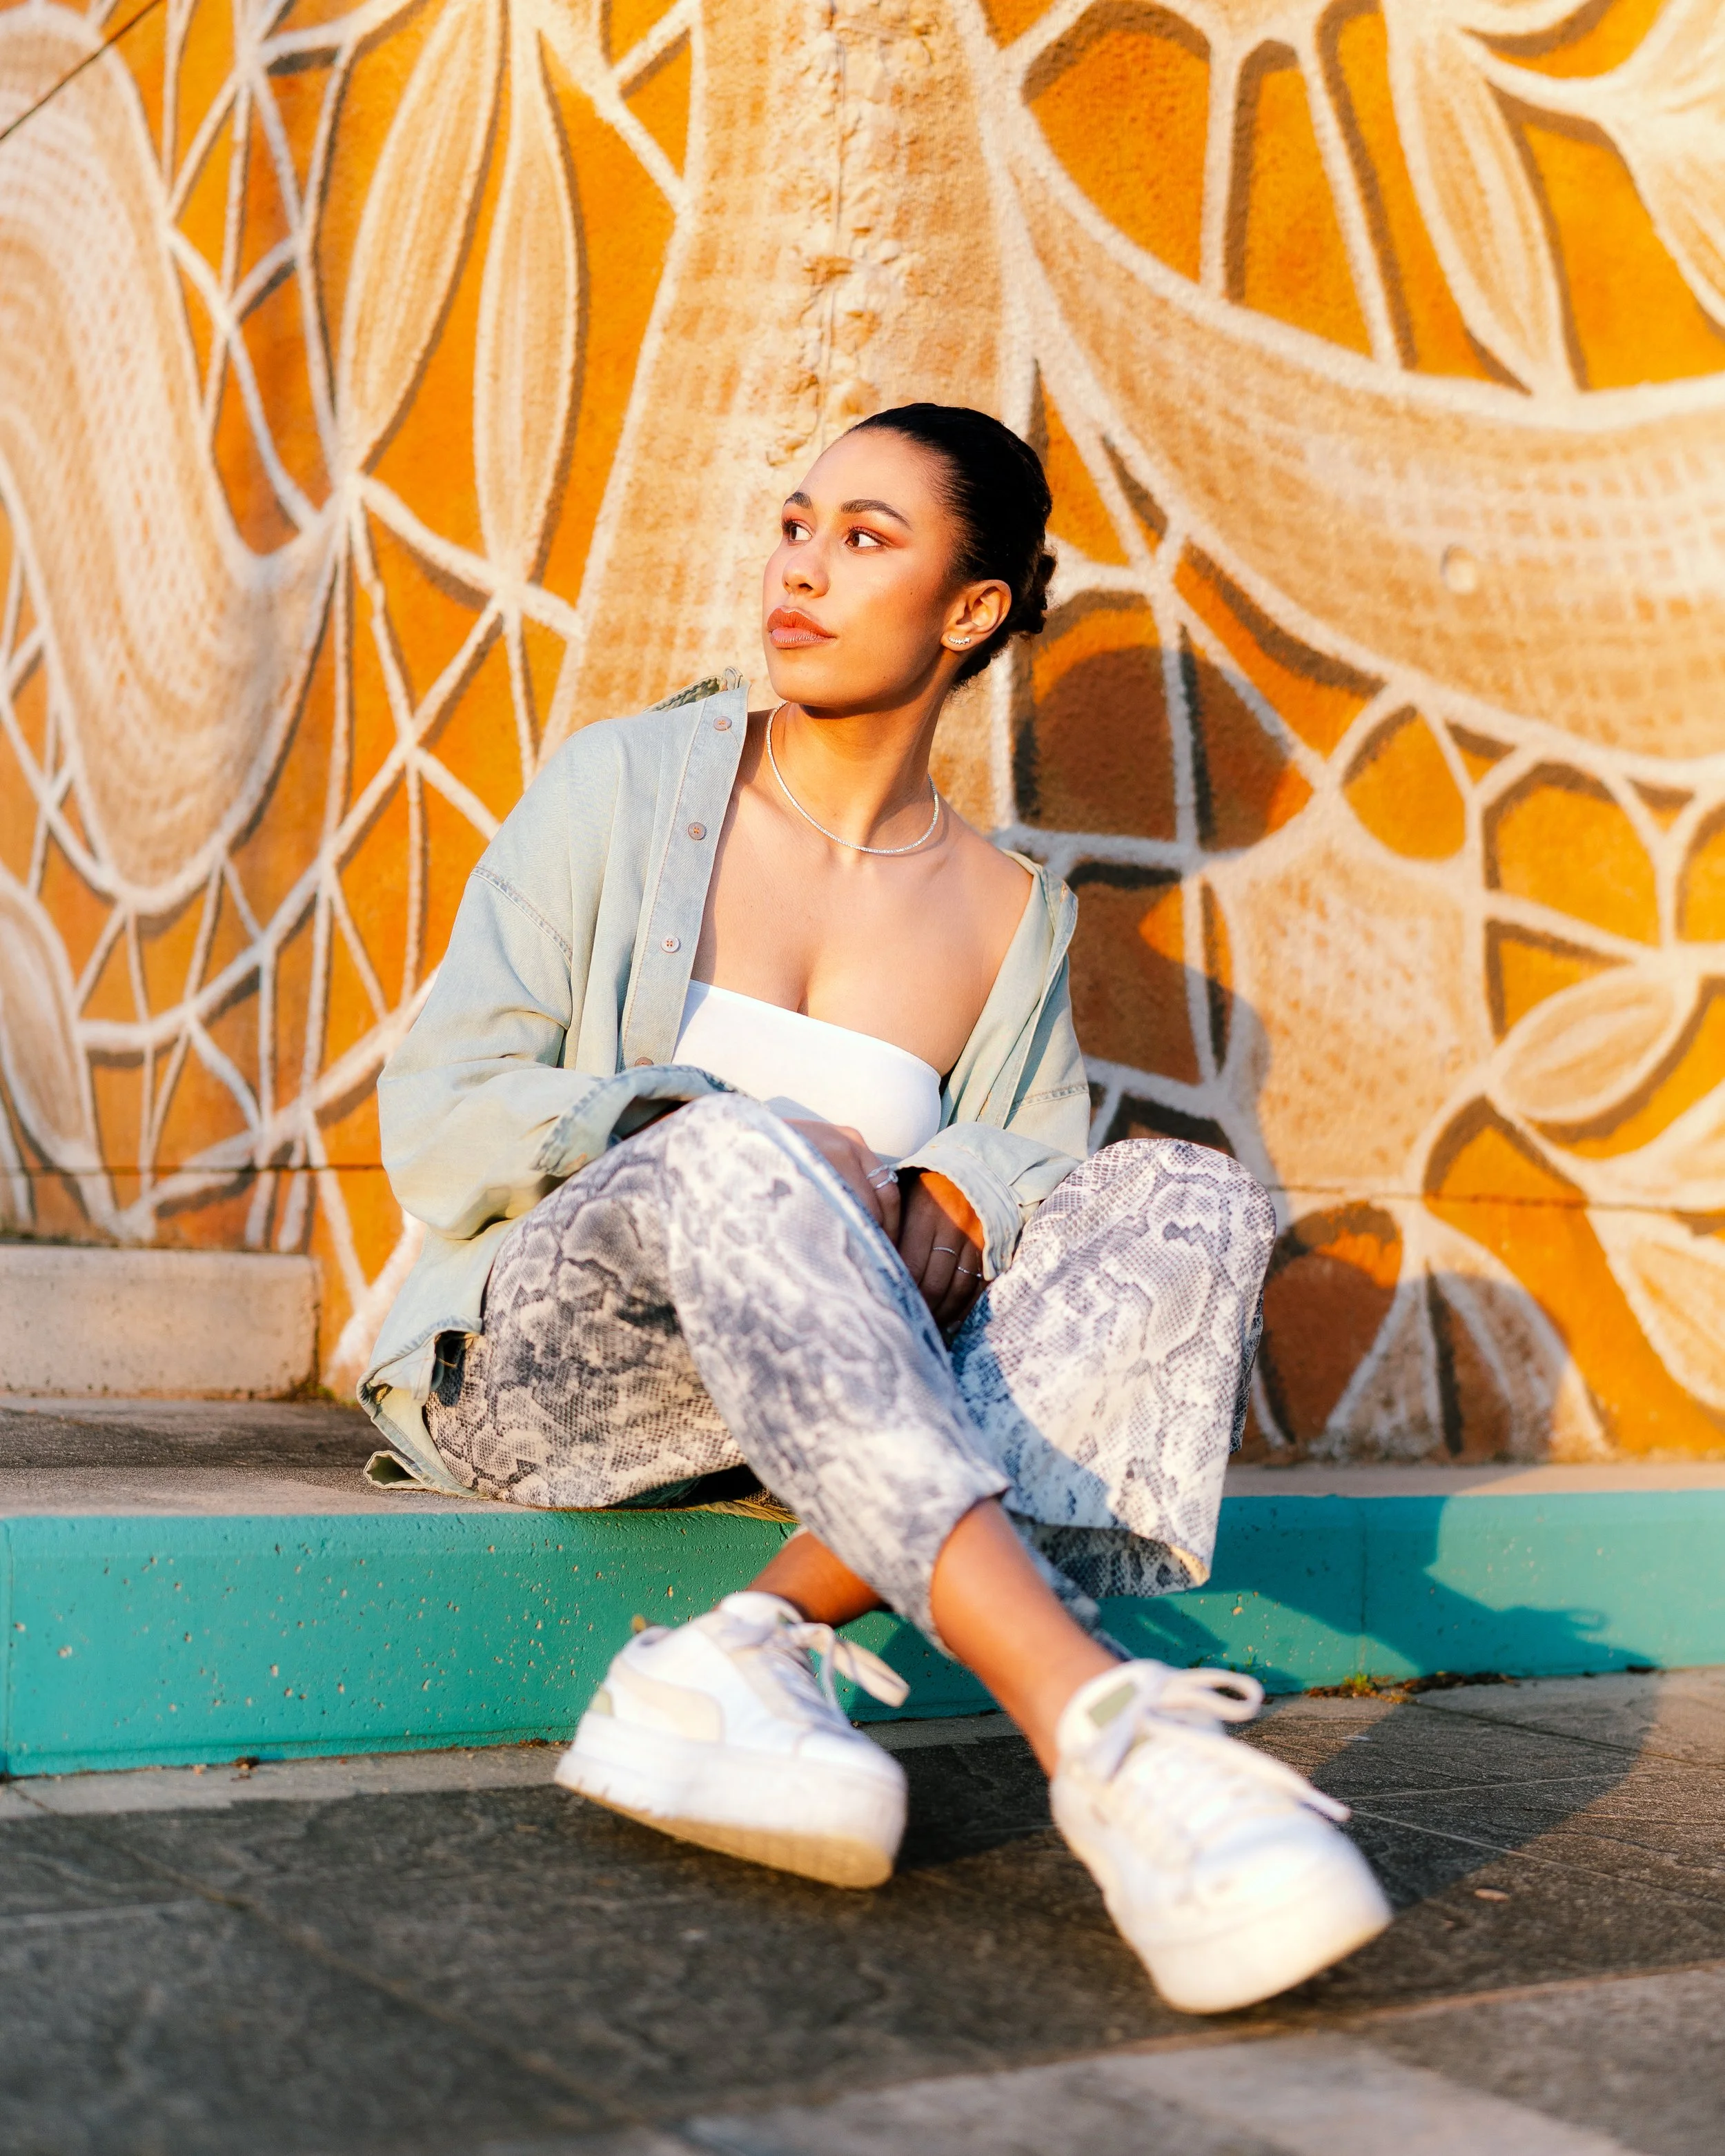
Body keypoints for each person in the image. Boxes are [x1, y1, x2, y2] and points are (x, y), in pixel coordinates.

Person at [359, 404, 1391, 2015]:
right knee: (745, 1146)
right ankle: (1102, 1730)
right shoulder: (624, 786)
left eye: (862, 537)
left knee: (1187, 1197)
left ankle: (742, 1647)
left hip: (811, 1415)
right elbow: (436, 1105)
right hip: (551, 1370)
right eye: (795, 524)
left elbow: (1039, 1160)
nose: (800, 569)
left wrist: (962, 1175)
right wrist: (696, 1119)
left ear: (969, 608)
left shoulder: (1010, 913)